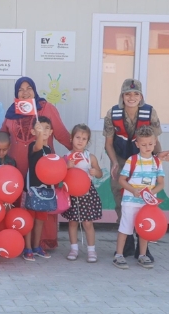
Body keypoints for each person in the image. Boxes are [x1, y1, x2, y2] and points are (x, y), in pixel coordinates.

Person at [0, 77, 72, 250]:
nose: (25, 92)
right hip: (17, 168)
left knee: (42, 204)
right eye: (21, 90)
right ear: (16, 93)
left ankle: (42, 242)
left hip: (42, 168)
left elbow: (61, 133)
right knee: (21, 204)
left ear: (35, 90)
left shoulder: (46, 108)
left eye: (29, 88)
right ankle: (18, 243)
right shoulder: (12, 112)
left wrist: (77, 151)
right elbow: (3, 134)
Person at [103, 79, 161, 260]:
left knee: (146, 200)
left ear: (141, 96)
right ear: (122, 96)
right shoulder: (112, 113)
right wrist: (114, 163)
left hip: (144, 161)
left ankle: (143, 245)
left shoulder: (150, 112)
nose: (132, 97)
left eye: (136, 94)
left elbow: (155, 140)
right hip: (121, 160)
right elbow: (109, 143)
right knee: (121, 199)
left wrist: (157, 160)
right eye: (128, 94)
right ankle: (126, 243)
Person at [114, 126, 164, 269]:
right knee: (125, 228)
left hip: (147, 205)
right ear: (137, 144)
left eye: (150, 144)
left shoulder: (157, 162)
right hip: (130, 202)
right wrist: (133, 190)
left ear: (155, 143)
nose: (147, 147)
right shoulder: (132, 160)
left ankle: (142, 255)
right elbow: (122, 180)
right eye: (143, 144)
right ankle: (118, 255)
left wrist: (151, 193)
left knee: (144, 229)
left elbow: (161, 183)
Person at [62, 124, 103, 263]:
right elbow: (60, 175)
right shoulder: (67, 157)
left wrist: (95, 172)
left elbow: (100, 173)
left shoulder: (90, 157)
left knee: (87, 223)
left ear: (88, 141)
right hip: (72, 194)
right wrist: (67, 167)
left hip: (86, 194)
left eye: (84, 139)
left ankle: (91, 250)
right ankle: (74, 248)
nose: (80, 141)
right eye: (78, 137)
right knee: (73, 222)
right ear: (71, 138)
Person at [22, 117, 55, 261]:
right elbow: (38, 146)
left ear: (51, 131)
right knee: (29, 220)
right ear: (33, 131)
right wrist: (40, 135)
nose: (43, 130)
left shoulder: (50, 150)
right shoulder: (33, 146)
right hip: (32, 190)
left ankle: (36, 246)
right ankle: (27, 247)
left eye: (46, 128)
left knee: (40, 220)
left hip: (45, 191)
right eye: (39, 128)